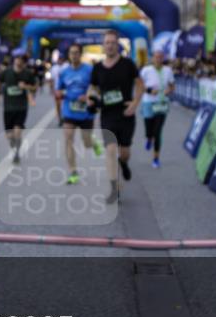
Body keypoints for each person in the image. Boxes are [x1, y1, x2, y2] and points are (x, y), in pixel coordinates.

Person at [88, 30, 143, 202]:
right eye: (107, 42)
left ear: (117, 45)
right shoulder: (97, 68)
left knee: (124, 152)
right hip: (107, 115)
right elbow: (93, 87)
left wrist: (134, 103)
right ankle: (114, 188)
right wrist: (90, 99)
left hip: (126, 114)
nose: (110, 45)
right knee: (111, 150)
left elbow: (140, 84)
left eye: (113, 42)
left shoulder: (128, 64)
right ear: (103, 46)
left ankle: (124, 163)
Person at [56, 43, 102, 185]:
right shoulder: (63, 72)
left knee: (86, 143)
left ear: (80, 54)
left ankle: (93, 142)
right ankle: (73, 172)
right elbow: (58, 91)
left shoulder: (89, 70)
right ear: (68, 55)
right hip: (69, 110)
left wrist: (89, 96)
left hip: (85, 112)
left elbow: (98, 88)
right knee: (68, 139)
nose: (73, 55)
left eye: (76, 52)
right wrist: (61, 94)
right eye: (71, 53)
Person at [0, 51, 38, 164]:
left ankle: (17, 153)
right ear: (14, 60)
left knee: (17, 132)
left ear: (24, 61)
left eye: (21, 59)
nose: (19, 61)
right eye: (17, 58)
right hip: (8, 108)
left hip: (21, 107)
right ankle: (14, 147)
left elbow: (34, 88)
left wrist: (26, 86)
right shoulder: (6, 72)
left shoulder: (27, 73)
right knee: (9, 135)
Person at [140, 49, 175, 168]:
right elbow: (139, 85)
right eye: (156, 57)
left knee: (158, 131)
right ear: (152, 58)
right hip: (148, 103)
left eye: (160, 57)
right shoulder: (146, 70)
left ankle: (156, 159)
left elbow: (172, 86)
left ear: (163, 58)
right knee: (149, 131)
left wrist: (168, 91)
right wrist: (150, 90)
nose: (158, 59)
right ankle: (149, 138)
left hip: (162, 103)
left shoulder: (168, 70)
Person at [49, 54, 67, 125]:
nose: (60, 60)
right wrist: (52, 89)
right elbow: (52, 79)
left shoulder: (67, 66)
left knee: (65, 104)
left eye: (61, 59)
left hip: (65, 89)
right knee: (58, 105)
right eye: (59, 59)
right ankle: (60, 119)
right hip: (57, 89)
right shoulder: (54, 68)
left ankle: (65, 118)